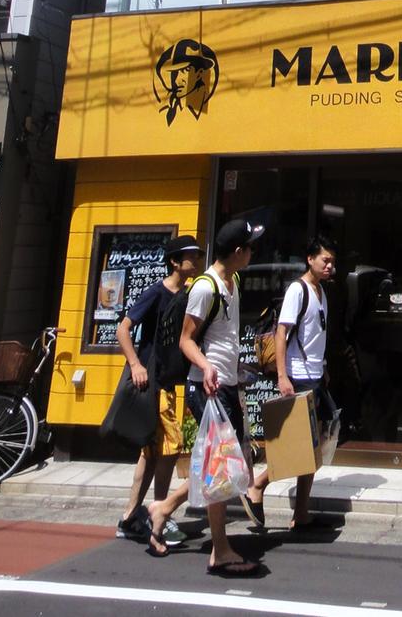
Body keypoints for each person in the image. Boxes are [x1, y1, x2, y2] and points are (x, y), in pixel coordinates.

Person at [178, 217, 264, 577]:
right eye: (250, 246)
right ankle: (221, 550)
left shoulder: (234, 280)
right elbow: (186, 340)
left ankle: (164, 508)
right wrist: (207, 367)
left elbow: (226, 335)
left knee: (230, 465)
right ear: (238, 252)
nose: (253, 252)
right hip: (206, 388)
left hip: (226, 385)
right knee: (221, 468)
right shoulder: (205, 288)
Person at [114, 234, 203, 548]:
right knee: (170, 446)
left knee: (151, 454)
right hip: (154, 381)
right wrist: (136, 365)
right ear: (175, 262)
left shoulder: (190, 294)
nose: (197, 259)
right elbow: (123, 328)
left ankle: (129, 517)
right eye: (190, 256)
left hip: (169, 380)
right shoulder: (156, 292)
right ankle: (159, 513)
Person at [243, 234, 337, 531]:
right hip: (296, 376)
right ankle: (258, 485)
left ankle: (301, 513)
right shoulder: (298, 290)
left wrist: (324, 369)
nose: (329, 266)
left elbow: (316, 335)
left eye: (332, 261)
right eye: (325, 260)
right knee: (294, 446)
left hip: (315, 375)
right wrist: (283, 376)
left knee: (313, 447)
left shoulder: (321, 292)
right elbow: (281, 333)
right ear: (310, 259)